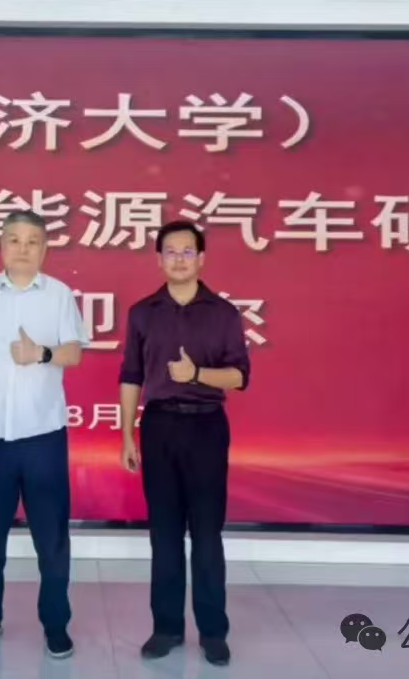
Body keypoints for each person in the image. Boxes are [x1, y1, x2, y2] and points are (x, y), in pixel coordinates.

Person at [0, 210, 89, 659]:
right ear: (1, 245)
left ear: (45, 248)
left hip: (43, 435)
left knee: (51, 537)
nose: (23, 248)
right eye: (14, 239)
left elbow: (74, 353)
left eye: (33, 241)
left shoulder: (58, 293)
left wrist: (41, 354)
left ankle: (55, 623)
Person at [118, 220, 251, 667]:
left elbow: (239, 376)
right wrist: (127, 434)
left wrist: (196, 374)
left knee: (207, 534)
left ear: (201, 258)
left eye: (187, 251)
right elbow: (131, 375)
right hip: (158, 427)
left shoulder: (223, 313)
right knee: (165, 534)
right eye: (171, 252)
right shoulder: (142, 312)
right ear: (159, 259)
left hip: (206, 428)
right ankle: (167, 628)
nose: (179, 259)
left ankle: (213, 631)